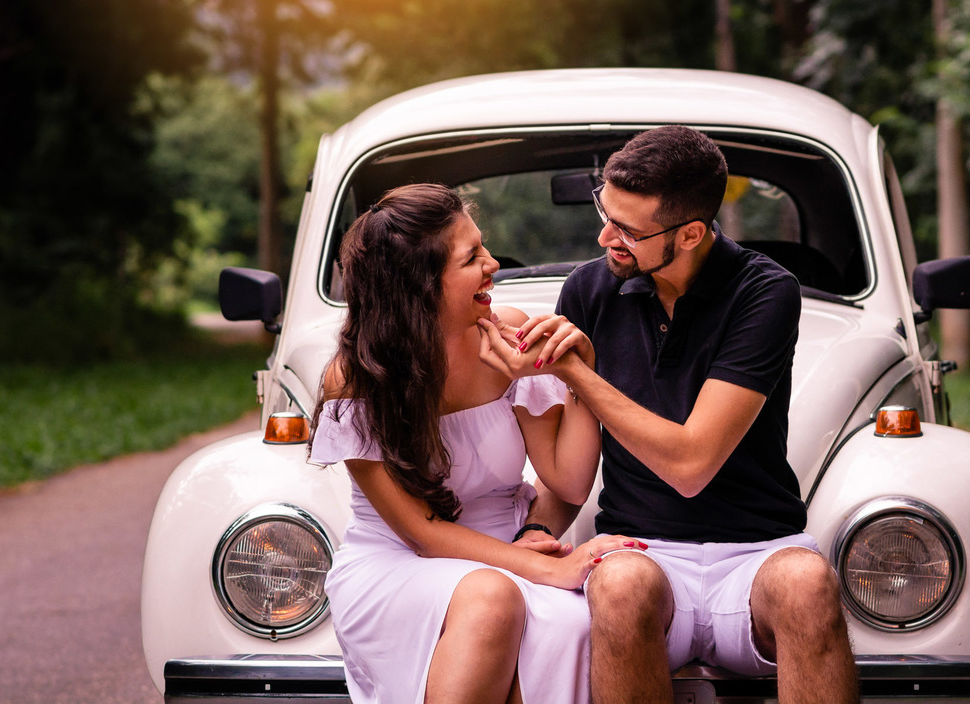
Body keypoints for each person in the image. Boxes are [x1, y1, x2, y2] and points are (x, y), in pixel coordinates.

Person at [479, 127, 859, 704]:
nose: (606, 237)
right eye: (605, 213)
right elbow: (578, 460)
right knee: (620, 582)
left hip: (755, 555)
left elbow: (691, 463)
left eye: (628, 231)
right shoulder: (588, 290)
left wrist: (576, 370)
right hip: (642, 550)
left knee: (808, 582)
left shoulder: (765, 292)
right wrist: (535, 531)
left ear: (691, 233)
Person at [308, 183, 641, 704]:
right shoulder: (356, 379)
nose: (493, 265)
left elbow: (569, 480)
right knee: (491, 598)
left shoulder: (505, 334)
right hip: (400, 562)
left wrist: (578, 371)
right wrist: (552, 568)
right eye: (472, 258)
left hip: (512, 548)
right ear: (420, 285)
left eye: (484, 247)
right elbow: (422, 533)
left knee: (568, 626)